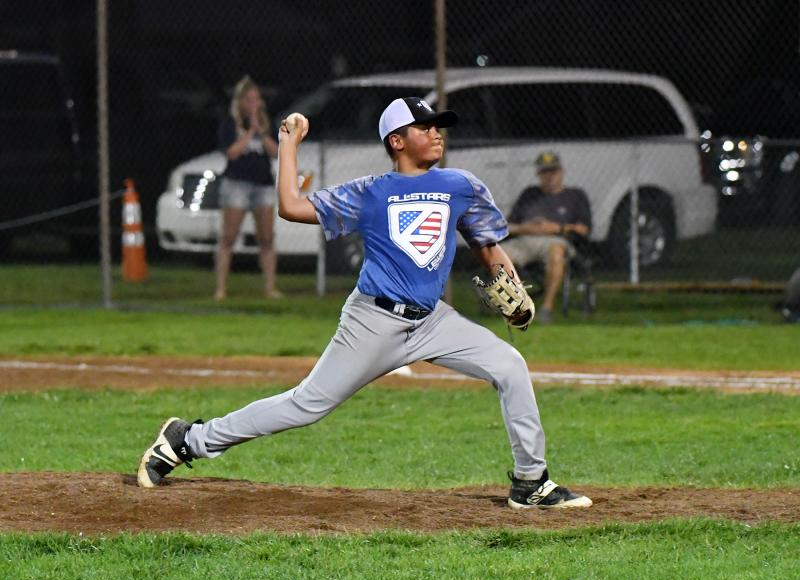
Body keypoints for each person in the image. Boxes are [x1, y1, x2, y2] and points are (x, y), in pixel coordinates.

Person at [137, 98, 592, 510]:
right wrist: (289, 142)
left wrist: (508, 286)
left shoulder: (461, 185)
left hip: (433, 320)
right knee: (305, 405)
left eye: (438, 126)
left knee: (509, 364)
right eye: (425, 126)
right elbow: (292, 206)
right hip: (372, 320)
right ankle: (187, 440)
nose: (437, 132)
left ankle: (531, 483)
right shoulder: (370, 192)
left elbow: (487, 245)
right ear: (397, 140)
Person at [214, 75, 281, 301]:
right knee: (228, 238)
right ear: (241, 101)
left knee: (267, 238)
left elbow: (275, 152)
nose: (254, 104)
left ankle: (270, 288)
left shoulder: (267, 123)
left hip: (263, 185)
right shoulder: (229, 123)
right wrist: (249, 132)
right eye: (249, 100)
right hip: (237, 184)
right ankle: (221, 289)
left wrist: (260, 132)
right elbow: (231, 153)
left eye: (257, 99)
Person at [503, 152, 592, 323]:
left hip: (557, 241)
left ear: (561, 171)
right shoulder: (529, 195)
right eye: (545, 172)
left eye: (553, 171)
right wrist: (528, 228)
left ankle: (546, 309)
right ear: (538, 174)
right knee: (499, 256)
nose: (549, 176)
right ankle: (518, 307)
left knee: (556, 252)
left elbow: (584, 230)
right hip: (525, 240)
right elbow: (507, 226)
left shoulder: (575, 196)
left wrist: (556, 228)